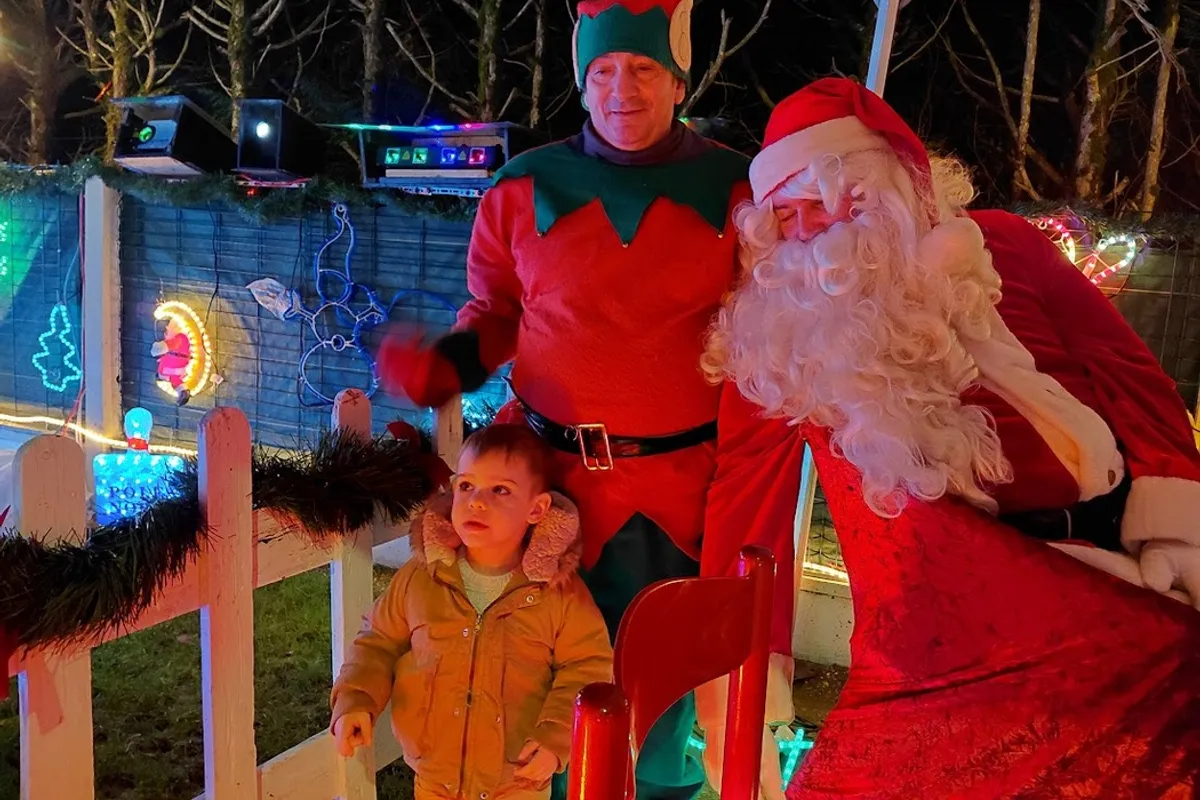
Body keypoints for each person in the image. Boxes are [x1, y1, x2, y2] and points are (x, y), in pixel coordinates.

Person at [702, 77, 1200, 796]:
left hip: (1115, 582)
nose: (807, 228)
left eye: (822, 198)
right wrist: (751, 671)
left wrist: (1179, 540)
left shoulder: (1007, 245)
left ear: (885, 190)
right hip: (938, 655)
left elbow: (1132, 379)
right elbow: (746, 495)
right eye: (786, 214)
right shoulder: (784, 340)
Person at [378, 1, 794, 796]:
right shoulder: (521, 187)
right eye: (603, 71)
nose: (621, 90)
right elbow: (495, 311)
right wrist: (450, 365)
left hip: (675, 498)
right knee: (535, 690)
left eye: (642, 69)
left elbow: (766, 336)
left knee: (666, 695)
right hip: (541, 489)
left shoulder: (737, 193)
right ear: (581, 80)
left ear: (678, 80)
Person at [330, 424, 613, 800]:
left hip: (518, 780)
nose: (477, 501)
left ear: (537, 509)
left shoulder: (558, 594)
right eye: (467, 486)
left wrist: (556, 735)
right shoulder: (424, 576)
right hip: (434, 776)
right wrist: (357, 699)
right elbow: (378, 641)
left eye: (500, 490)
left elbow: (588, 667)